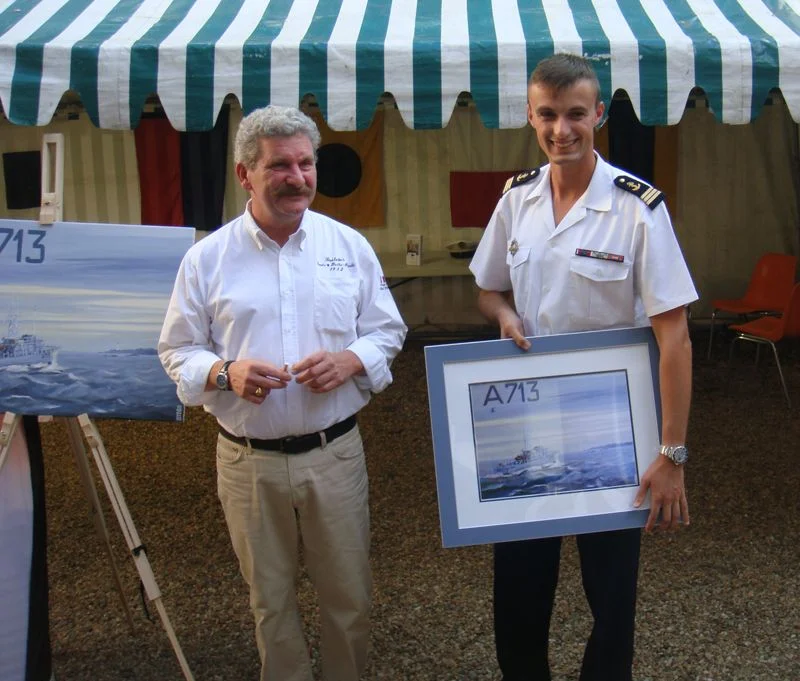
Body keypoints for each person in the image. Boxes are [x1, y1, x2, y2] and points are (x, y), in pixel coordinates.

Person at [158, 105, 407, 681]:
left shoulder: (348, 246)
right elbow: (176, 350)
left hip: (335, 454)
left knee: (350, 599)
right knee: (270, 604)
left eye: (306, 163)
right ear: (245, 174)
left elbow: (388, 329)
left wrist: (352, 359)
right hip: (248, 463)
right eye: (280, 166)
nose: (297, 177)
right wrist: (226, 373)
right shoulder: (207, 259)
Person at [469, 54, 697, 681]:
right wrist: (502, 316)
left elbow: (674, 338)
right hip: (527, 427)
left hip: (612, 438)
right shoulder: (516, 201)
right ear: (529, 116)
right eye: (547, 115)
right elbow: (487, 288)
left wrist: (672, 454)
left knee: (612, 599)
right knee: (517, 592)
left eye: (575, 114)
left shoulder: (637, 209)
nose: (560, 130)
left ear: (598, 114)